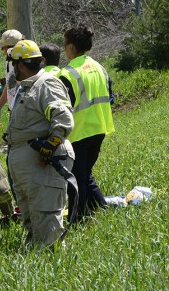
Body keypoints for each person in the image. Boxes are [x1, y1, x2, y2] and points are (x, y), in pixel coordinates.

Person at [5, 40, 75, 248]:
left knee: (46, 216)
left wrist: (49, 146)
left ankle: (52, 260)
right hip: (26, 164)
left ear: (20, 64)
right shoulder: (27, 87)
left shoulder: (47, 84)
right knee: (32, 218)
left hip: (42, 162)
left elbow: (63, 118)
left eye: (13, 65)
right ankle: (36, 260)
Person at [57, 24, 115, 223]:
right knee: (84, 173)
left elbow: (64, 107)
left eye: (65, 45)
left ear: (71, 47)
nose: (64, 49)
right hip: (100, 128)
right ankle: (101, 208)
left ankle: (77, 219)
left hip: (79, 131)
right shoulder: (100, 67)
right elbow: (111, 96)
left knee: (76, 178)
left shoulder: (68, 73)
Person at [0, 29, 24, 127]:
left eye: (3, 47)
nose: (3, 51)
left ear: (9, 48)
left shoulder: (20, 62)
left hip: (22, 113)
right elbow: (10, 85)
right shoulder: (10, 62)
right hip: (15, 110)